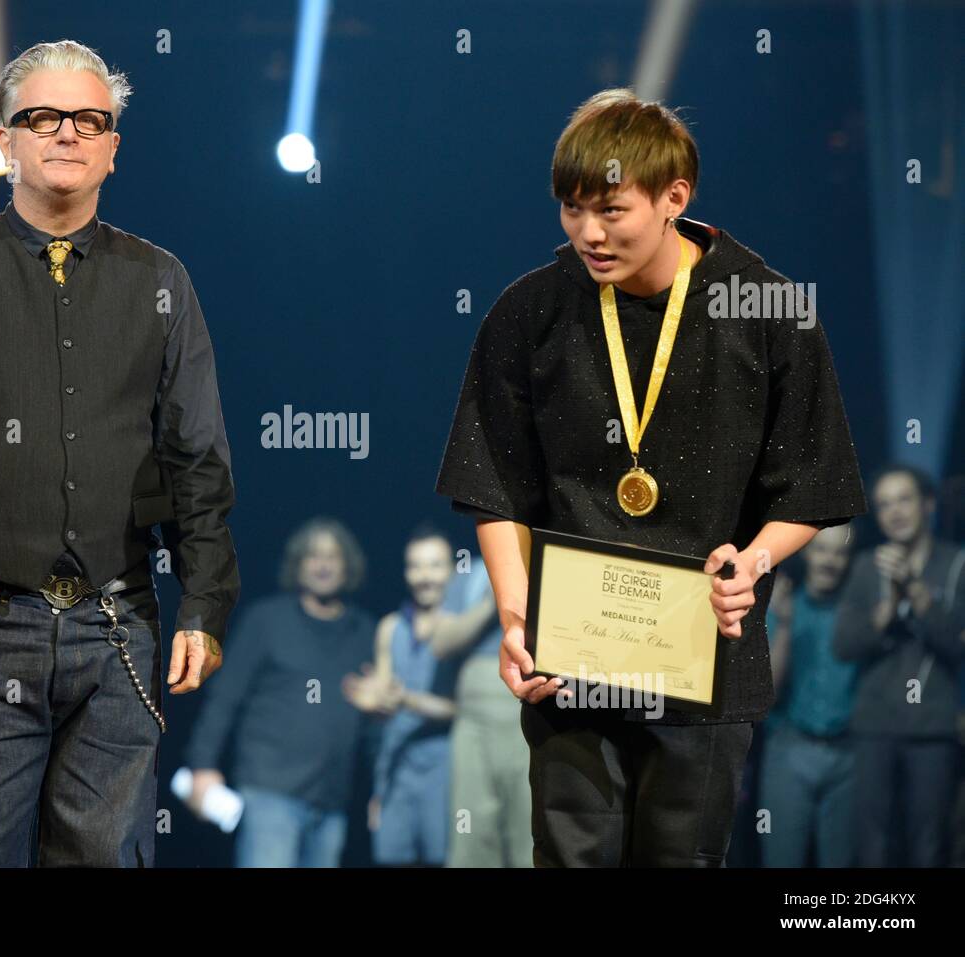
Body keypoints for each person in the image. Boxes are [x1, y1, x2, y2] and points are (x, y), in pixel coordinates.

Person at [435, 88, 867, 867]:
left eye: (610, 210)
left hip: (703, 655)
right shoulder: (529, 312)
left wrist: (754, 561)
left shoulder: (767, 308)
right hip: (571, 661)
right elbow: (495, 482)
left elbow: (812, 480)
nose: (589, 233)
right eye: (571, 209)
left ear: (675, 197)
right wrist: (512, 615)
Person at [0, 39, 240, 867]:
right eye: (43, 117)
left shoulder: (162, 280)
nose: (67, 132)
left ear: (113, 149)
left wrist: (204, 603)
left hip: (118, 624)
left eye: (89, 120)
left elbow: (197, 462)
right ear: (6, 141)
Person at [184, 518, 376, 867]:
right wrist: (202, 766)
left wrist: (382, 791)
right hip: (269, 793)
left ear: (347, 566)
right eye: (313, 556)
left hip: (333, 801)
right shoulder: (266, 620)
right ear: (298, 565)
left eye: (333, 556)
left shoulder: (365, 632)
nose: (323, 564)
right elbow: (224, 699)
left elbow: (377, 722)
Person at [833, 465, 965, 867]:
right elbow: (843, 646)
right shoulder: (865, 566)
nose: (895, 511)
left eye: (904, 499)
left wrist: (918, 594)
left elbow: (958, 646)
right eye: (885, 503)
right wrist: (887, 608)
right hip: (874, 725)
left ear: (927, 505)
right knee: (872, 844)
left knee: (928, 843)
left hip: (934, 728)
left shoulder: (956, 564)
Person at [344, 523, 460, 866]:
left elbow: (464, 710)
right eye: (416, 565)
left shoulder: (462, 629)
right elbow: (385, 708)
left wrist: (404, 699)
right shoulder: (390, 628)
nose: (425, 576)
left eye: (435, 565)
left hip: (446, 768)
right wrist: (372, 704)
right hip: (397, 770)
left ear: (453, 568)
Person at [758, 526, 858, 867]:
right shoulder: (783, 607)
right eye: (822, 550)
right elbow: (767, 693)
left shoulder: (857, 614)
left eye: (839, 553)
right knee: (781, 859)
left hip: (849, 755)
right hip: (789, 749)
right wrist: (785, 625)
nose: (830, 560)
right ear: (807, 553)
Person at [429, 553, 535, 868]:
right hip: (474, 719)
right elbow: (441, 642)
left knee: (527, 828)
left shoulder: (543, 564)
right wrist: (492, 603)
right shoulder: (468, 573)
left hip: (526, 712)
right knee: (472, 830)